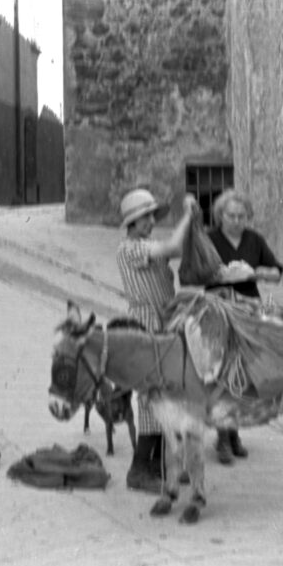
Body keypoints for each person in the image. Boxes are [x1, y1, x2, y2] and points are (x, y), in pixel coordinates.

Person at [116, 188, 196, 492]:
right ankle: (140, 469)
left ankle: (162, 464)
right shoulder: (129, 249)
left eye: (151, 216)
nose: (150, 221)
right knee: (152, 395)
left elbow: (175, 248)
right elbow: (174, 246)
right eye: (144, 217)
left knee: (167, 392)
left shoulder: (147, 243)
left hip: (164, 320)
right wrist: (188, 215)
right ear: (131, 224)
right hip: (147, 322)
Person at [205, 189, 283, 465]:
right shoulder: (209, 239)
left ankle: (234, 431)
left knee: (245, 373)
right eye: (231, 216)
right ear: (220, 216)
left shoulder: (254, 240)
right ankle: (223, 436)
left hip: (249, 310)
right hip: (220, 309)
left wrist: (258, 272)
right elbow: (193, 272)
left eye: (242, 216)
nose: (236, 221)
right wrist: (219, 274)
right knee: (224, 371)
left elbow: (275, 271)